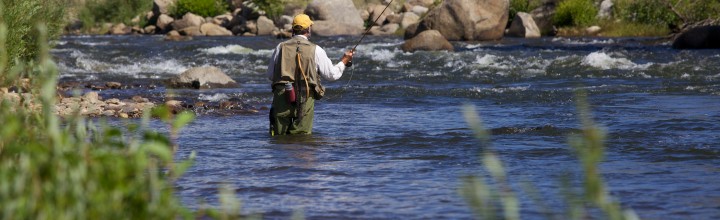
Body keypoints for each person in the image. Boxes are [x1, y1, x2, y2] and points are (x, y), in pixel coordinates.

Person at [266, 14, 354, 136]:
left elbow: (270, 75)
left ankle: (282, 156)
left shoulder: (280, 47)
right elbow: (332, 75)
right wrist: (344, 61)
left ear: (293, 29)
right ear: (308, 29)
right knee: (301, 137)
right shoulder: (316, 50)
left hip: (282, 96)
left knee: (279, 136)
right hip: (305, 95)